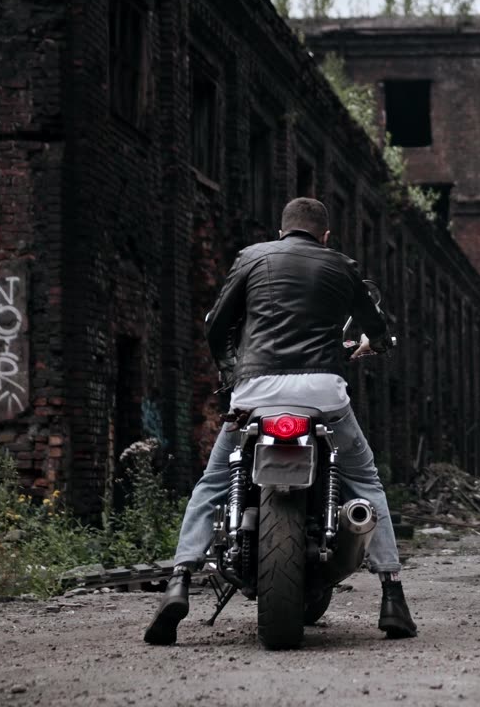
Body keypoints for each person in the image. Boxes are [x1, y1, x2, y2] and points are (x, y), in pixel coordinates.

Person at [144, 198, 418, 645]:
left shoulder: (251, 258)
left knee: (212, 482)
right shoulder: (342, 265)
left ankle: (178, 580)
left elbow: (217, 325)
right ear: (324, 235)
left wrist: (233, 375)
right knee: (365, 480)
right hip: (321, 393)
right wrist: (377, 344)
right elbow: (378, 326)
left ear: (281, 230)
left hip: (255, 392)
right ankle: (393, 597)